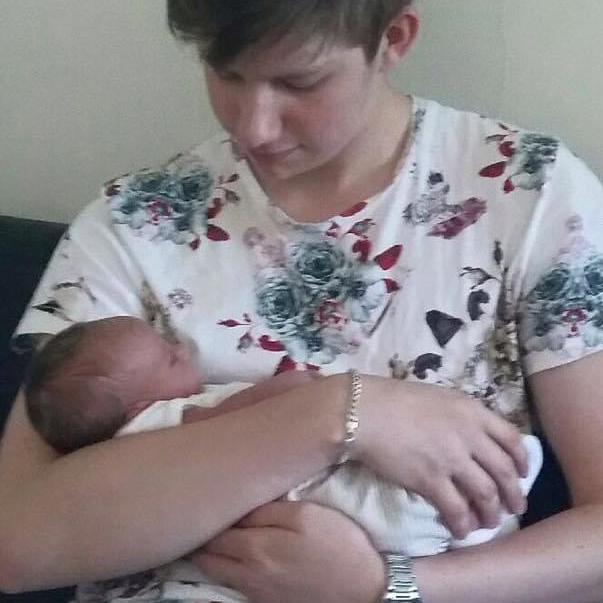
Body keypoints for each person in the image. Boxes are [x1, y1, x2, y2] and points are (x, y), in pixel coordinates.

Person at [1, 1, 603, 602]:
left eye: (299, 82)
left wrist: (386, 587)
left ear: (394, 38)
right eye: (227, 74)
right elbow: (16, 546)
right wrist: (340, 413)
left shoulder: (528, 192)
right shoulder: (133, 222)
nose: (254, 128)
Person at [23, 315, 543, 601]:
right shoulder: (168, 421)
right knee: (379, 500)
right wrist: (315, 396)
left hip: (296, 543)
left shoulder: (117, 442)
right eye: (169, 357)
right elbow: (253, 410)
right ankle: (475, 499)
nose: (182, 349)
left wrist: (384, 587)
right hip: (305, 504)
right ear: (140, 407)